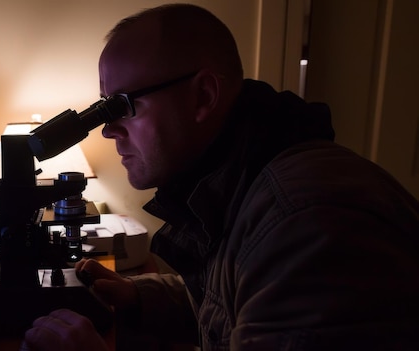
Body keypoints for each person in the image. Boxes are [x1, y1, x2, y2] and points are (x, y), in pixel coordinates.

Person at [22, 3, 419, 351]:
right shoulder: (240, 186)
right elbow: (235, 301)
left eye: (121, 106)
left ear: (203, 97)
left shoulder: (306, 227)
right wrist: (138, 297)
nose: (108, 131)